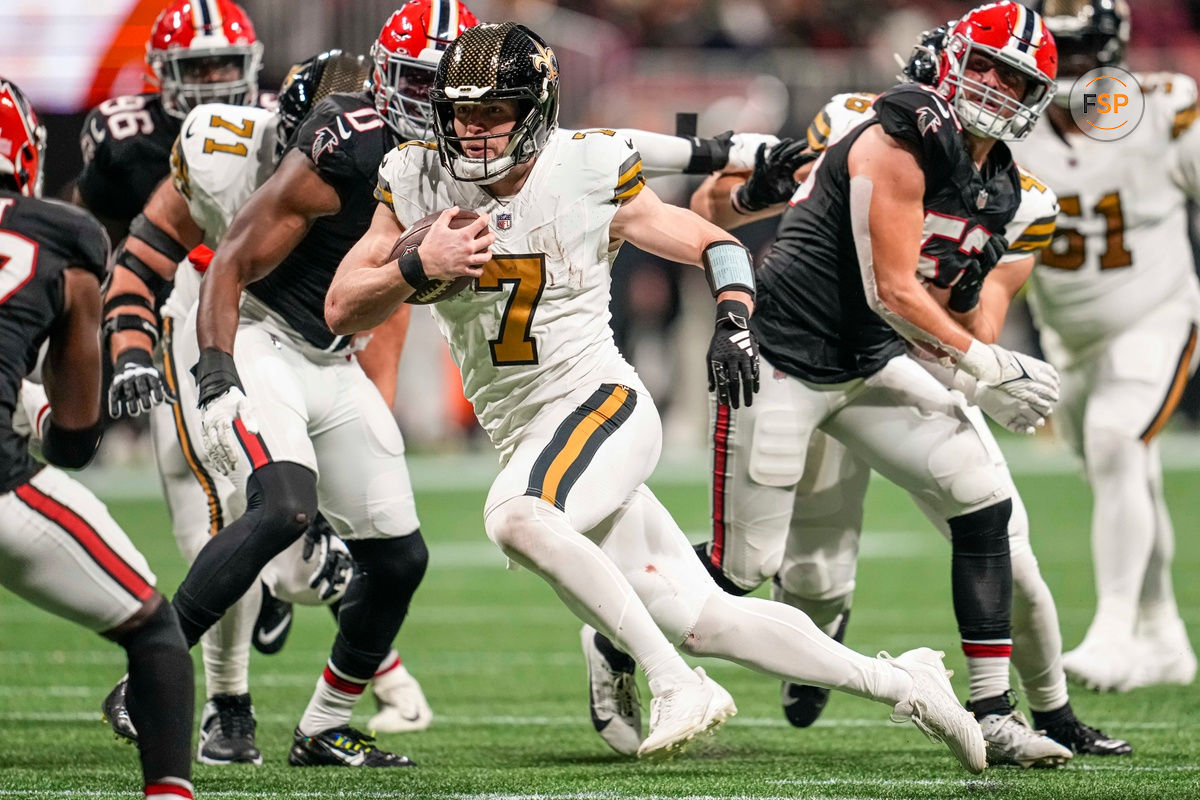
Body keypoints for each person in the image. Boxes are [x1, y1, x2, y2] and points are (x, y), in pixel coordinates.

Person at [328, 21, 989, 773]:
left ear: (537, 110)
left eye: (493, 112)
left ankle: (676, 683)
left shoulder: (583, 167)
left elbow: (718, 242)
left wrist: (734, 320)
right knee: (704, 616)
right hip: (530, 432)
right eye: (460, 113)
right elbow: (344, 305)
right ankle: (907, 682)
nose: (472, 131)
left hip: (596, 401)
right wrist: (416, 264)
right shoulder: (414, 174)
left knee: (518, 518)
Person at [539, 0, 1067, 765]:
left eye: (1012, 77)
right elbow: (885, 283)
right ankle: (617, 638)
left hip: (871, 358)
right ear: (945, 59)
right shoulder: (899, 131)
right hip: (784, 357)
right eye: (981, 64)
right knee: (742, 567)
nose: (991, 86)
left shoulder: (1002, 185)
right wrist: (984, 366)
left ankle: (992, 709)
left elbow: (937, 294)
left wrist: (976, 345)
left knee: (981, 499)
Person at [99, 49, 431, 764]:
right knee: (279, 506)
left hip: (334, 356)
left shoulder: (413, 161)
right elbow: (191, 259)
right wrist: (204, 367)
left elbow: (387, 306)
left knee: (400, 557)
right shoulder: (226, 149)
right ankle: (151, 674)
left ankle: (321, 728)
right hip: (253, 335)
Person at [0, 77, 195, 800]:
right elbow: (76, 441)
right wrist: (33, 406)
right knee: (155, 634)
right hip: (2, 487)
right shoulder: (58, 230)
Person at [1018, 0, 1199, 693]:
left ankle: (1116, 629)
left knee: (1118, 441)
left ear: (1114, 51)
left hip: (1158, 314)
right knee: (1123, 472)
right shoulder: (1012, 130)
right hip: (1068, 338)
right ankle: (1165, 634)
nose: (1073, 72)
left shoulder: (1162, 111)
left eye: (1085, 55)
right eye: (1060, 56)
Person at [74, 0, 265, 244]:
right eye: (196, 68)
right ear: (163, 72)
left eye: (226, 65)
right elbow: (92, 239)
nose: (214, 79)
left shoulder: (274, 123)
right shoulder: (128, 137)